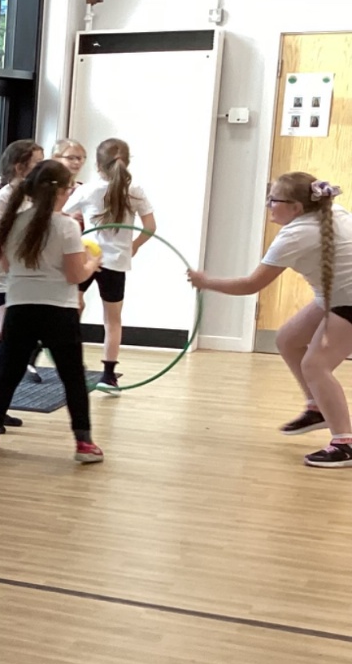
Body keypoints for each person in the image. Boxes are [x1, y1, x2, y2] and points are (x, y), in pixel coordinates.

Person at [189, 173, 352, 468]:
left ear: (296, 207)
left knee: (315, 365)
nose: (268, 205)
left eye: (273, 199)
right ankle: (318, 407)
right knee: (288, 339)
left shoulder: (295, 235)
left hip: (348, 299)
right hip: (335, 295)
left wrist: (206, 282)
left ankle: (345, 443)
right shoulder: (330, 211)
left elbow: (250, 285)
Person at [0, 160, 105, 463]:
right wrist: (92, 263)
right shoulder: (67, 226)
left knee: (9, 372)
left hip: (20, 307)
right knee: (73, 377)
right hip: (58, 311)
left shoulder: (13, 222)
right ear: (63, 191)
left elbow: (6, 266)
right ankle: (84, 443)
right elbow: (75, 275)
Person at [63, 138, 158, 394]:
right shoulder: (135, 190)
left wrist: (74, 220)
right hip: (116, 262)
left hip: (86, 256)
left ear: (97, 165)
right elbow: (150, 227)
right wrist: (135, 245)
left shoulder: (87, 190)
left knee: (71, 309)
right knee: (112, 320)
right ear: (127, 162)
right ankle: (108, 377)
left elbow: (60, 213)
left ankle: (68, 362)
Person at [0, 139, 45, 431]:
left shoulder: (31, 198)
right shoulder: (4, 199)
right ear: (20, 167)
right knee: (5, 337)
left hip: (20, 281)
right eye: (37, 162)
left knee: (6, 341)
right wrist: (9, 266)